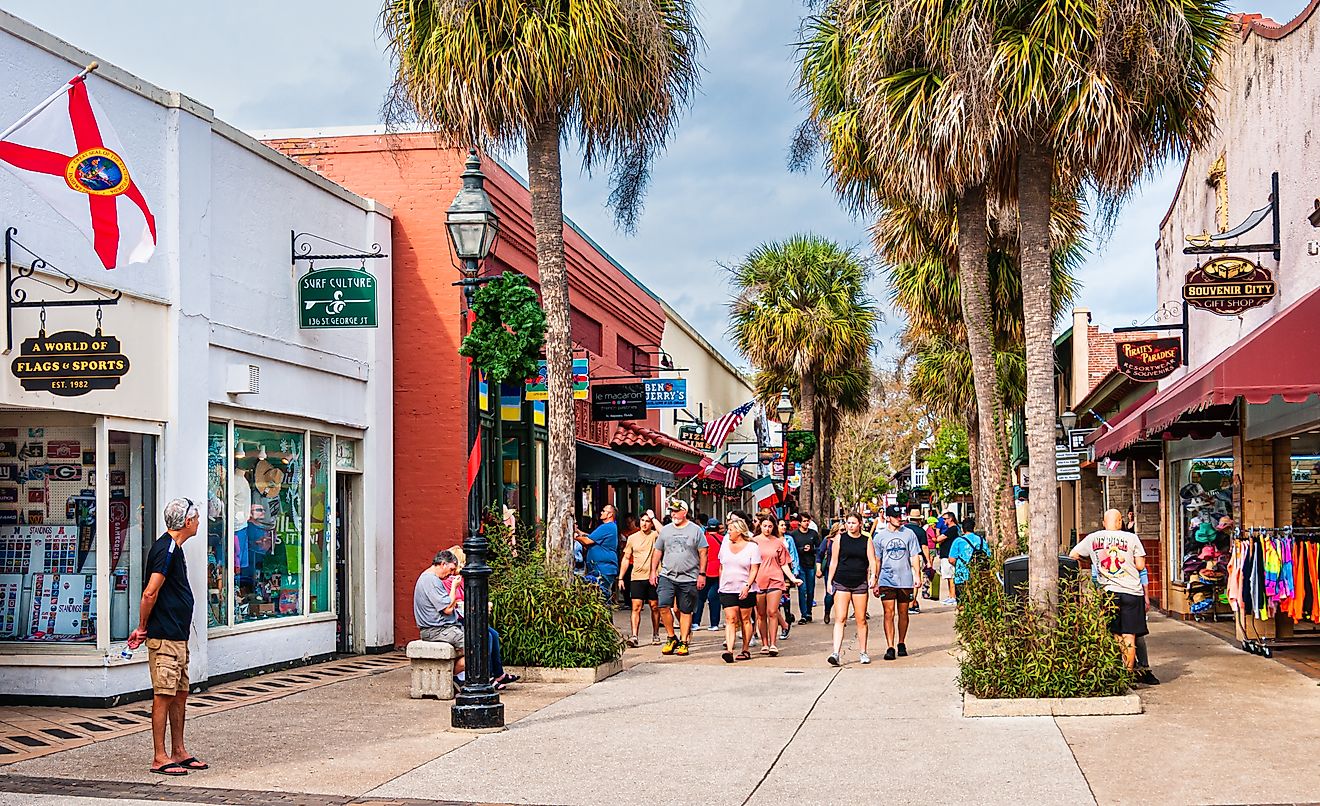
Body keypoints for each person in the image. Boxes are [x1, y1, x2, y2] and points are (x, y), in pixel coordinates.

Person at [127, 498, 205, 776]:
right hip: (165, 637)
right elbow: (150, 592)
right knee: (163, 693)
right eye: (196, 518)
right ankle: (159, 756)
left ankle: (179, 751)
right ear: (187, 522)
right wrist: (141, 626)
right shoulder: (167, 549)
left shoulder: (175, 548)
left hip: (178, 635)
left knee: (180, 692)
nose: (198, 522)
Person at [413, 550, 515, 690]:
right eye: (451, 569)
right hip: (438, 630)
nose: (451, 573)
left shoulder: (430, 579)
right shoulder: (431, 580)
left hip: (444, 628)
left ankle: (458, 677)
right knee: (478, 647)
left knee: (483, 640)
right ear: (443, 564)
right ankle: (451, 677)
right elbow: (448, 609)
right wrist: (454, 588)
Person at [1069, 509, 1148, 671]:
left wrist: (1092, 561)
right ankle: (1128, 673)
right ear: (1120, 522)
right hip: (1132, 592)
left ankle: (1119, 672)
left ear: (1104, 523)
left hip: (1109, 593)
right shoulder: (1132, 538)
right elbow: (1140, 566)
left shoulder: (1092, 538)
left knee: (1116, 634)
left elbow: (1073, 555)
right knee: (1130, 636)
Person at [650, 499, 708, 657]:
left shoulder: (696, 530)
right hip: (667, 575)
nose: (673, 514)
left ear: (685, 512)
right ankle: (671, 637)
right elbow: (658, 551)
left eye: (676, 511)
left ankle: (684, 641)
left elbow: (703, 553)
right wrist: (653, 571)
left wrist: (702, 574)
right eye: (672, 511)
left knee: (685, 610)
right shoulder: (666, 531)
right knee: (663, 606)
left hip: (689, 577)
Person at [826, 513, 878, 666]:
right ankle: (836, 653)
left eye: (853, 523)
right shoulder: (840, 539)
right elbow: (833, 561)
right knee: (840, 618)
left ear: (860, 524)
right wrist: (830, 581)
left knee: (860, 619)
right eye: (848, 523)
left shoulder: (866, 540)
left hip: (860, 582)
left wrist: (873, 576)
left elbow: (872, 560)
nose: (850, 526)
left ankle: (863, 651)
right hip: (842, 581)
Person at [873, 505, 923, 661]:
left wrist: (917, 575)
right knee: (889, 613)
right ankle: (890, 646)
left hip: (905, 579)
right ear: (888, 518)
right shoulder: (879, 537)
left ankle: (901, 642)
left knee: (903, 612)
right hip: (886, 579)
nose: (899, 519)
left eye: (900, 516)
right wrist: (875, 580)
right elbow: (877, 560)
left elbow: (914, 555)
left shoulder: (909, 534)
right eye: (895, 516)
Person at [753, 515, 800, 657]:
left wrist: (792, 578)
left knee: (772, 612)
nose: (767, 529)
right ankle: (765, 643)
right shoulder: (753, 542)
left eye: (770, 526)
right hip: (758, 581)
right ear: (760, 526)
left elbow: (784, 564)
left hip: (775, 579)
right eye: (765, 526)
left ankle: (773, 643)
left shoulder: (778, 543)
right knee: (760, 614)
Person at [717, 515, 761, 663]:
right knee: (730, 618)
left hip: (745, 587)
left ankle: (745, 648)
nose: (728, 532)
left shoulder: (752, 547)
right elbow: (721, 566)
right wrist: (720, 584)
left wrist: (748, 585)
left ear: (740, 531)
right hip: (727, 587)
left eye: (730, 530)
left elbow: (754, 569)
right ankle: (729, 650)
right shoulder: (725, 545)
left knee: (745, 619)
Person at [618, 511, 661, 647]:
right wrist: (621, 578)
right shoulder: (632, 538)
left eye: (647, 521)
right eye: (642, 520)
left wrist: (654, 518)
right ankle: (634, 635)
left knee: (654, 606)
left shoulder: (655, 535)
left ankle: (656, 634)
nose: (644, 523)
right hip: (637, 576)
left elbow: (664, 532)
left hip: (653, 576)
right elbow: (626, 558)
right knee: (636, 607)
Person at [574, 504, 620, 602]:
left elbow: (588, 541)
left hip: (603, 569)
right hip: (598, 568)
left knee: (601, 598)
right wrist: (580, 532)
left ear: (610, 514)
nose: (601, 513)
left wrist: (574, 537)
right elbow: (592, 536)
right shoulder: (609, 527)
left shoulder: (607, 527)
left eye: (604, 511)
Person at [694, 517, 725, 632]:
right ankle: (714, 623)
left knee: (700, 598)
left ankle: (695, 622)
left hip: (704, 571)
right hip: (718, 571)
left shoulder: (703, 539)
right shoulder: (723, 540)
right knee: (714, 598)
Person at [948, 516, 988, 601]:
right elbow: (988, 555)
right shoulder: (981, 540)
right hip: (978, 576)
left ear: (963, 529)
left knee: (962, 602)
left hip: (961, 576)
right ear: (973, 528)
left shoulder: (958, 541)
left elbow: (951, 559)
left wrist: (959, 564)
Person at [789, 514, 820, 624]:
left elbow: (819, 548)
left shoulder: (813, 534)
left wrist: (812, 549)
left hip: (811, 565)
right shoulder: (793, 535)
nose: (806, 523)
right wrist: (801, 549)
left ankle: (809, 612)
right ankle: (803, 614)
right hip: (799, 566)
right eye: (804, 521)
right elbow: (791, 550)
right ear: (799, 523)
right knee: (802, 590)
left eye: (808, 521)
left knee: (810, 590)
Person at [901, 509, 930, 614]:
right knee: (916, 580)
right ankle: (911, 603)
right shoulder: (921, 531)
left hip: (903, 556)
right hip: (916, 557)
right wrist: (928, 561)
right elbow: (924, 547)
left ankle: (907, 602)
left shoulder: (903, 529)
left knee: (905, 580)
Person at [937, 512, 960, 604]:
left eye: (945, 519)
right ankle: (950, 595)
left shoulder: (953, 529)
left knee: (951, 577)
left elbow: (939, 539)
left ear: (950, 519)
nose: (944, 521)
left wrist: (938, 537)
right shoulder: (950, 529)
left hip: (948, 555)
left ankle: (953, 596)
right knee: (947, 576)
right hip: (945, 555)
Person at [819, 523, 839, 622]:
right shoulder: (827, 541)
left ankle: (840, 617)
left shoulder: (846, 540)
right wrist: (818, 568)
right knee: (830, 593)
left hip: (842, 570)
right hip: (829, 570)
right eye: (842, 530)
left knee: (840, 594)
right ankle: (827, 612)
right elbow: (820, 554)